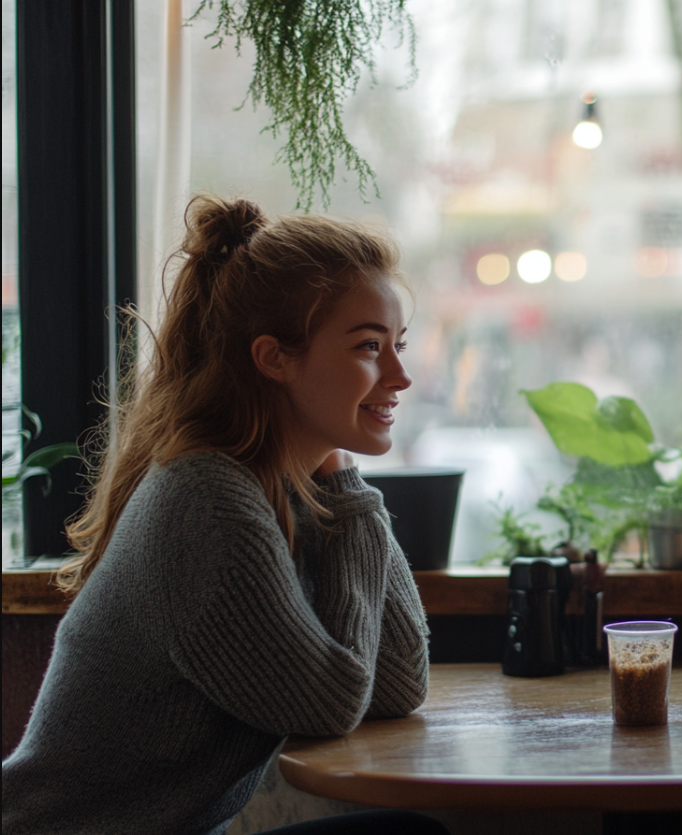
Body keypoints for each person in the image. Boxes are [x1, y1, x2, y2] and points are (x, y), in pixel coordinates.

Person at [2, 195, 449, 835]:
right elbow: (330, 704)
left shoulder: (282, 483)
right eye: (370, 347)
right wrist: (347, 493)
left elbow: (398, 683)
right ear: (274, 358)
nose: (401, 375)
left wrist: (344, 484)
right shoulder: (206, 499)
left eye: (398, 345)